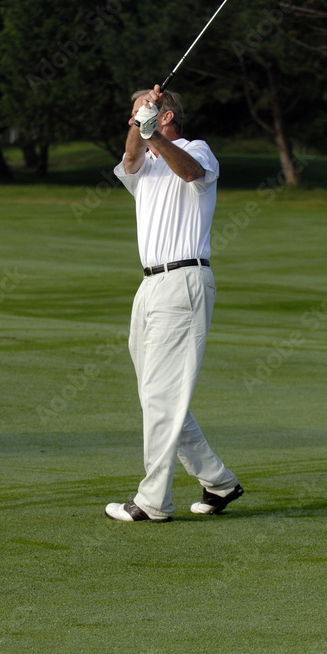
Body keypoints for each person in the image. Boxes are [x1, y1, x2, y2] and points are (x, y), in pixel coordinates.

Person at [104, 83, 243, 522]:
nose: (134, 122)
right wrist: (141, 129)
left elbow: (189, 172)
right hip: (149, 285)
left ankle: (152, 501)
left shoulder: (197, 150)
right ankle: (219, 482)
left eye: (143, 113)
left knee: (162, 394)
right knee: (156, 394)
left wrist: (154, 134)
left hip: (184, 278)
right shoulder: (143, 164)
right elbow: (129, 159)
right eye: (133, 116)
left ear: (165, 117)